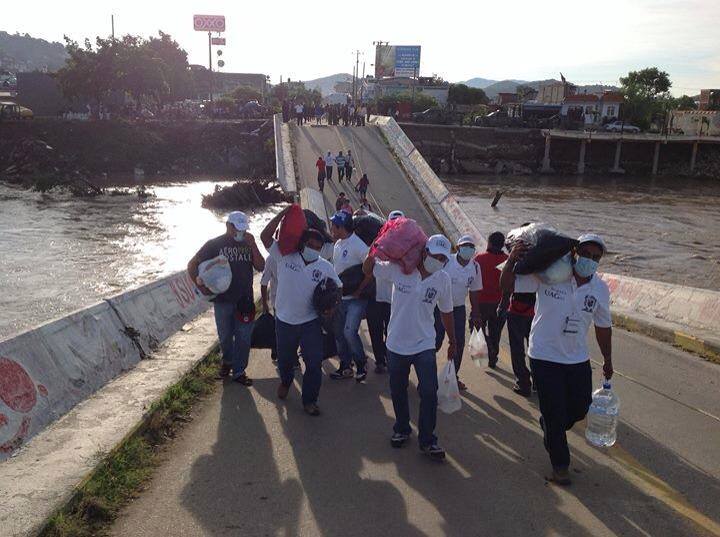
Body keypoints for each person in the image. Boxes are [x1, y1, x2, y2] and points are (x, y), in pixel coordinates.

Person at [500, 233, 613, 485]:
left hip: (577, 358)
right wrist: (511, 261)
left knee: (580, 407)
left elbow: (603, 326)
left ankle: (551, 426)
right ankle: (560, 466)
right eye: (586, 254)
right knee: (553, 412)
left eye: (596, 258)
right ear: (574, 253)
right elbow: (507, 285)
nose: (590, 260)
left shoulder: (599, 289)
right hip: (544, 355)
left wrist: (608, 359)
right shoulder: (551, 274)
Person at [363, 234, 456, 460]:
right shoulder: (400, 269)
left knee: (429, 392)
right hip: (396, 343)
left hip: (425, 343)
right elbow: (368, 270)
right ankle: (402, 429)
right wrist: (375, 248)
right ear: (424, 252)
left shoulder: (442, 279)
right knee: (398, 390)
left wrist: (453, 341)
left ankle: (428, 440)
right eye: (435, 255)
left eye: (443, 258)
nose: (438, 261)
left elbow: (447, 311)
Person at [261, 207, 342, 416]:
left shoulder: (325, 267)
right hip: (284, 321)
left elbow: (339, 288)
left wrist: (331, 308)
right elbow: (264, 237)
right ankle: (286, 381)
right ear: (302, 244)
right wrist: (283, 214)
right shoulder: (284, 256)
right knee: (286, 361)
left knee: (314, 363)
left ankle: (310, 400)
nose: (313, 250)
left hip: (310, 322)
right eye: (310, 245)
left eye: (318, 247)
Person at [188, 211, 265, 384]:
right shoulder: (214, 244)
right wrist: (200, 286)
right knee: (224, 336)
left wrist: (253, 245)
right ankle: (228, 361)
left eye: (243, 229)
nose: (240, 232)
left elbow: (261, 266)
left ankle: (239, 371)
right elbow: (192, 264)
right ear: (228, 226)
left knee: (244, 338)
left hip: (244, 301)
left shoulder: (248, 243)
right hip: (222, 300)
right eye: (237, 228)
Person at [434, 235, 483, 391]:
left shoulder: (475, 267)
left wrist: (476, 313)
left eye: (471, 247)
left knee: (458, 343)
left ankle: (452, 377)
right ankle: (427, 375)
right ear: (457, 248)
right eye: (465, 246)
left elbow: (474, 291)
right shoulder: (446, 261)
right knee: (435, 341)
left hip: (458, 309)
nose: (468, 249)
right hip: (439, 307)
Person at [328, 211, 373, 381]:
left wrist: (359, 290)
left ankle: (361, 364)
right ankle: (345, 367)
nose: (331, 228)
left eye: (334, 226)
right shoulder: (338, 244)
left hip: (356, 299)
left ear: (341, 227)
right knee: (339, 333)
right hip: (340, 298)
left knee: (349, 332)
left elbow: (371, 271)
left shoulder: (359, 246)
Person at [365, 210, 403, 374]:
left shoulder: (409, 247)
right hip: (376, 297)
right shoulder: (378, 242)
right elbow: (368, 265)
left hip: (395, 299)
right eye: (392, 223)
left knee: (392, 332)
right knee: (375, 330)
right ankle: (380, 361)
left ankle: (390, 359)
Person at [473, 232, 508, 367]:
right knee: (496, 332)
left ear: (489, 243)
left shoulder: (479, 259)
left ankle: (487, 351)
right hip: (500, 303)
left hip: (481, 302)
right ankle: (493, 358)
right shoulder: (507, 260)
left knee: (477, 329)